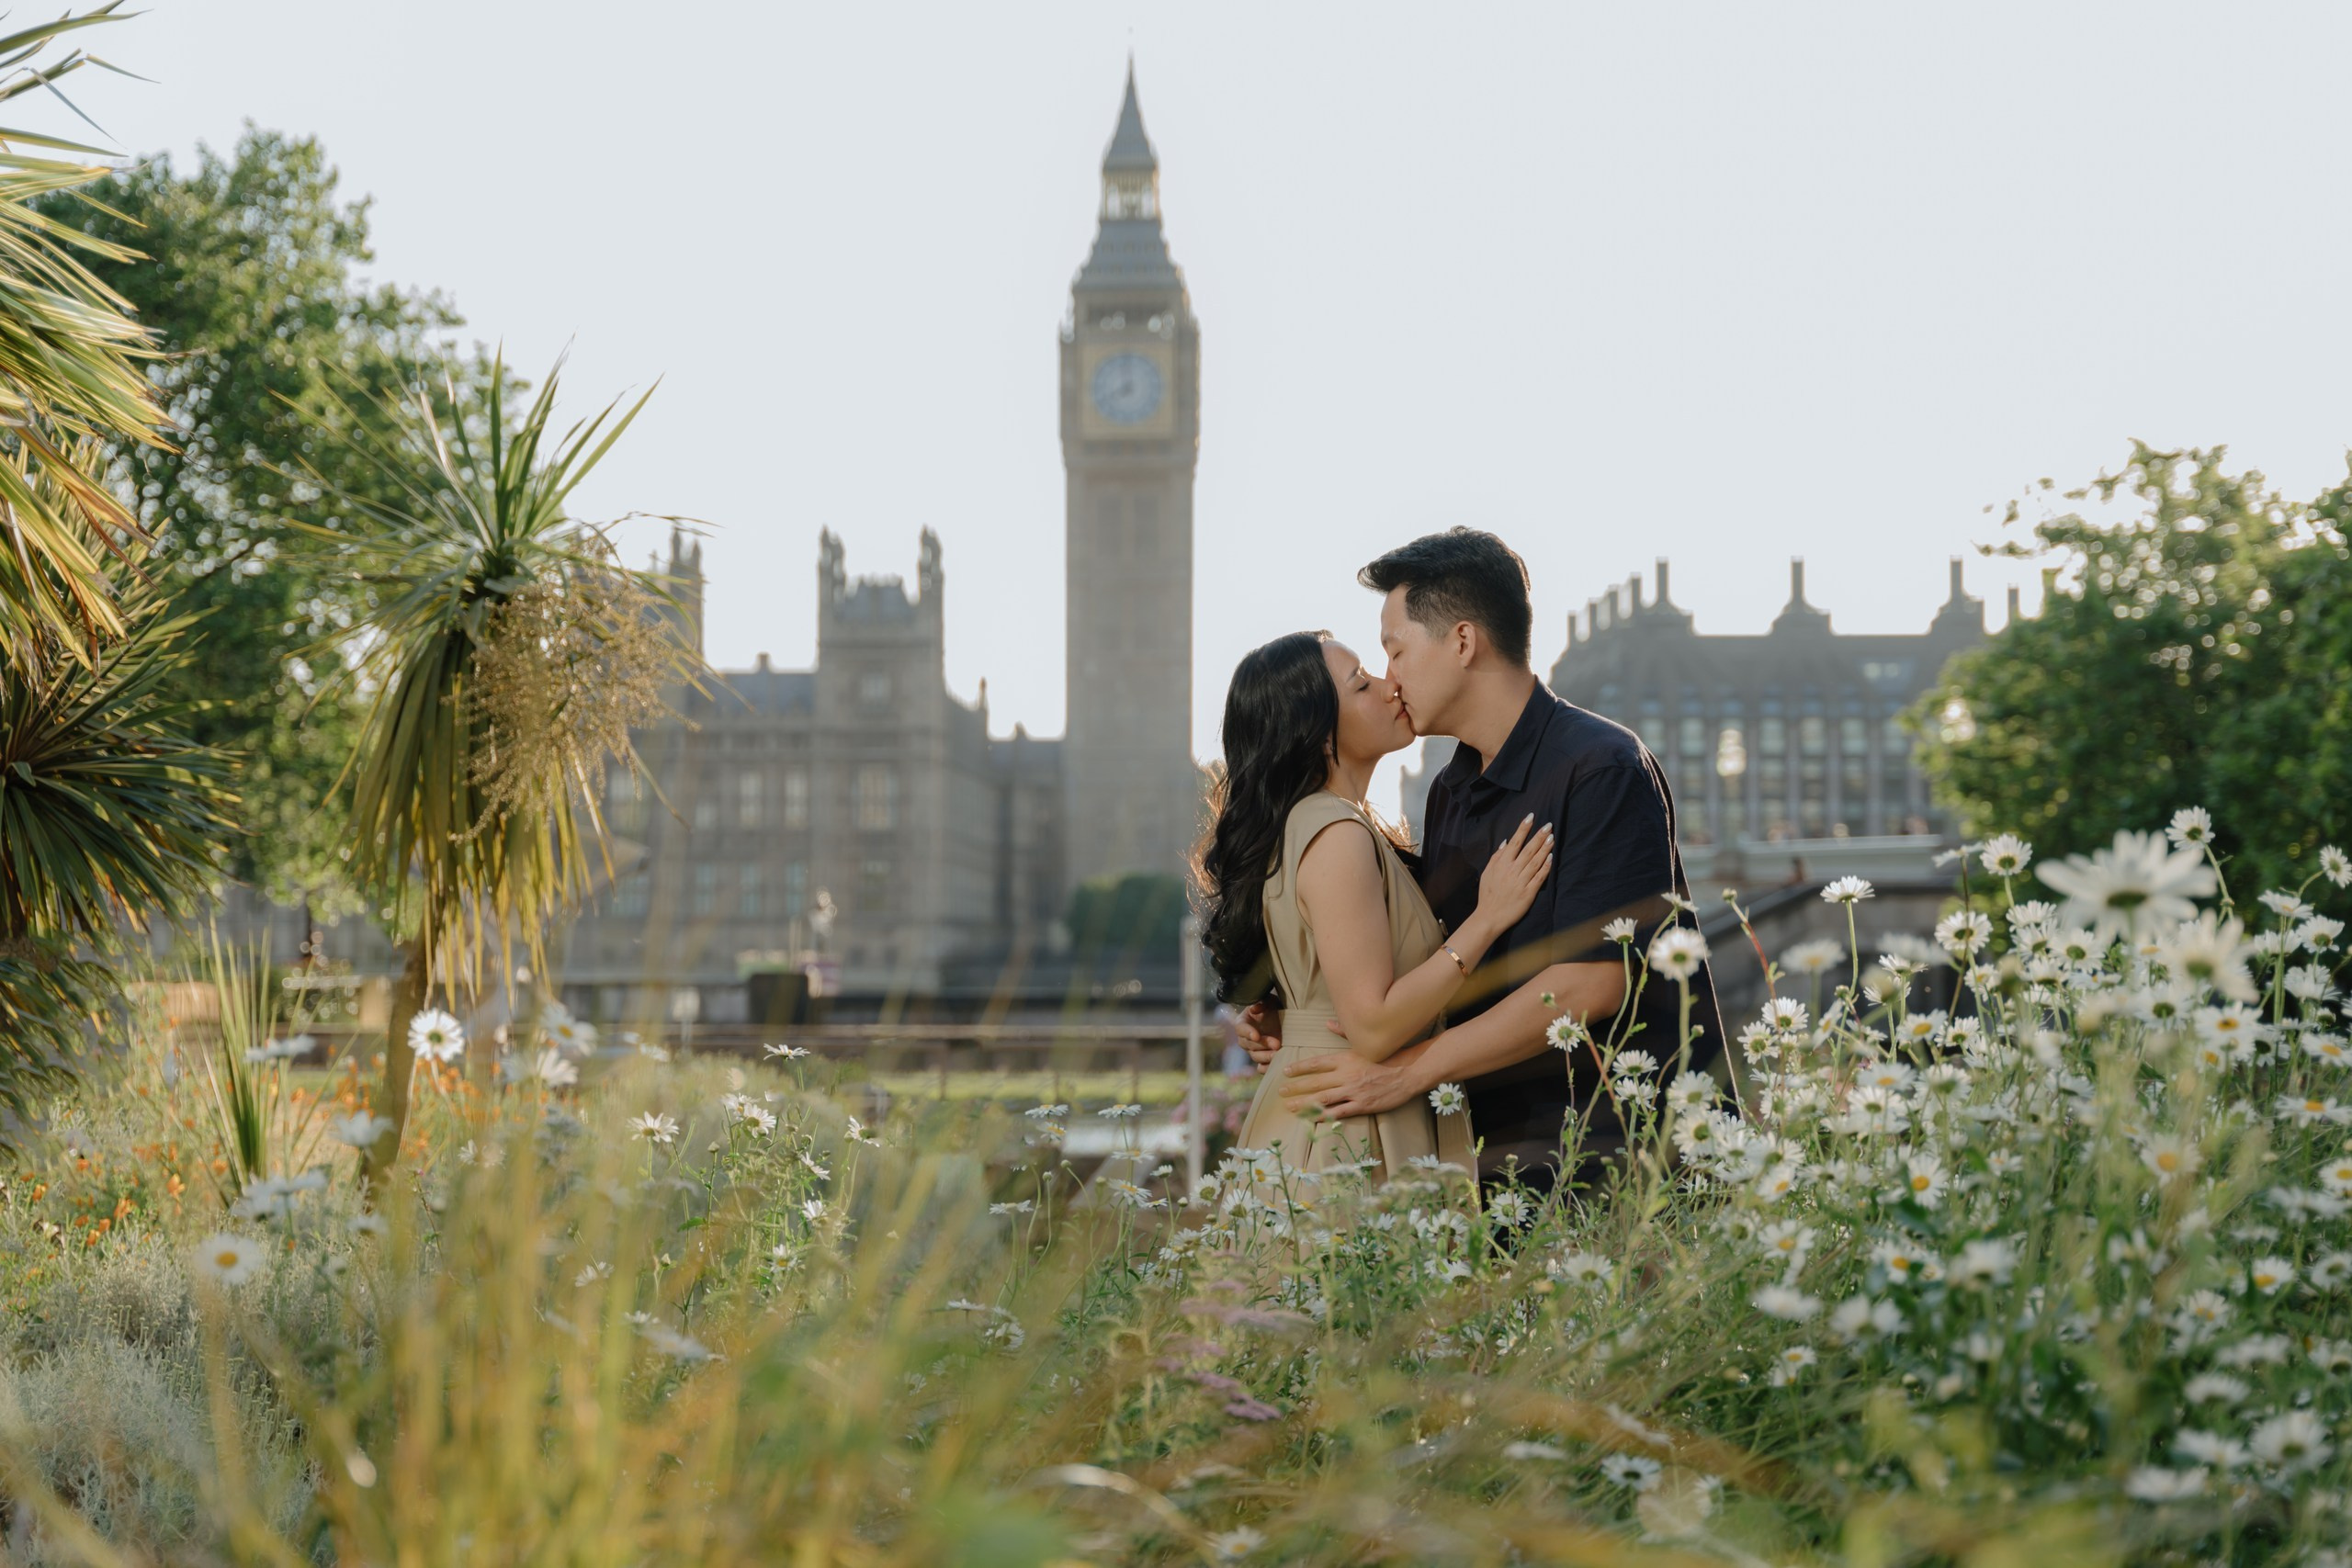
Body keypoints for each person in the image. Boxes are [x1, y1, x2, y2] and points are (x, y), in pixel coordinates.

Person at [1245, 528, 1724, 1197]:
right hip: (1497, 1169)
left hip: (1619, 1168)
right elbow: (1416, 964)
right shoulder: (1450, 790)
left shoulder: (1600, 768)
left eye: (1396, 650)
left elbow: (1591, 986)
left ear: (1463, 642)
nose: (1391, 679)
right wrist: (1297, 1013)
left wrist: (1408, 1072)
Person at [1193, 629, 1554, 1179]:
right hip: (1348, 1129)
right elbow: (1374, 1027)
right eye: (1362, 684)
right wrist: (1487, 919)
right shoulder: (1335, 832)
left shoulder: (1320, 824)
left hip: (1327, 1114)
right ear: (1316, 733)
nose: (1391, 688)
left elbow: (1331, 987)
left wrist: (1287, 1016)